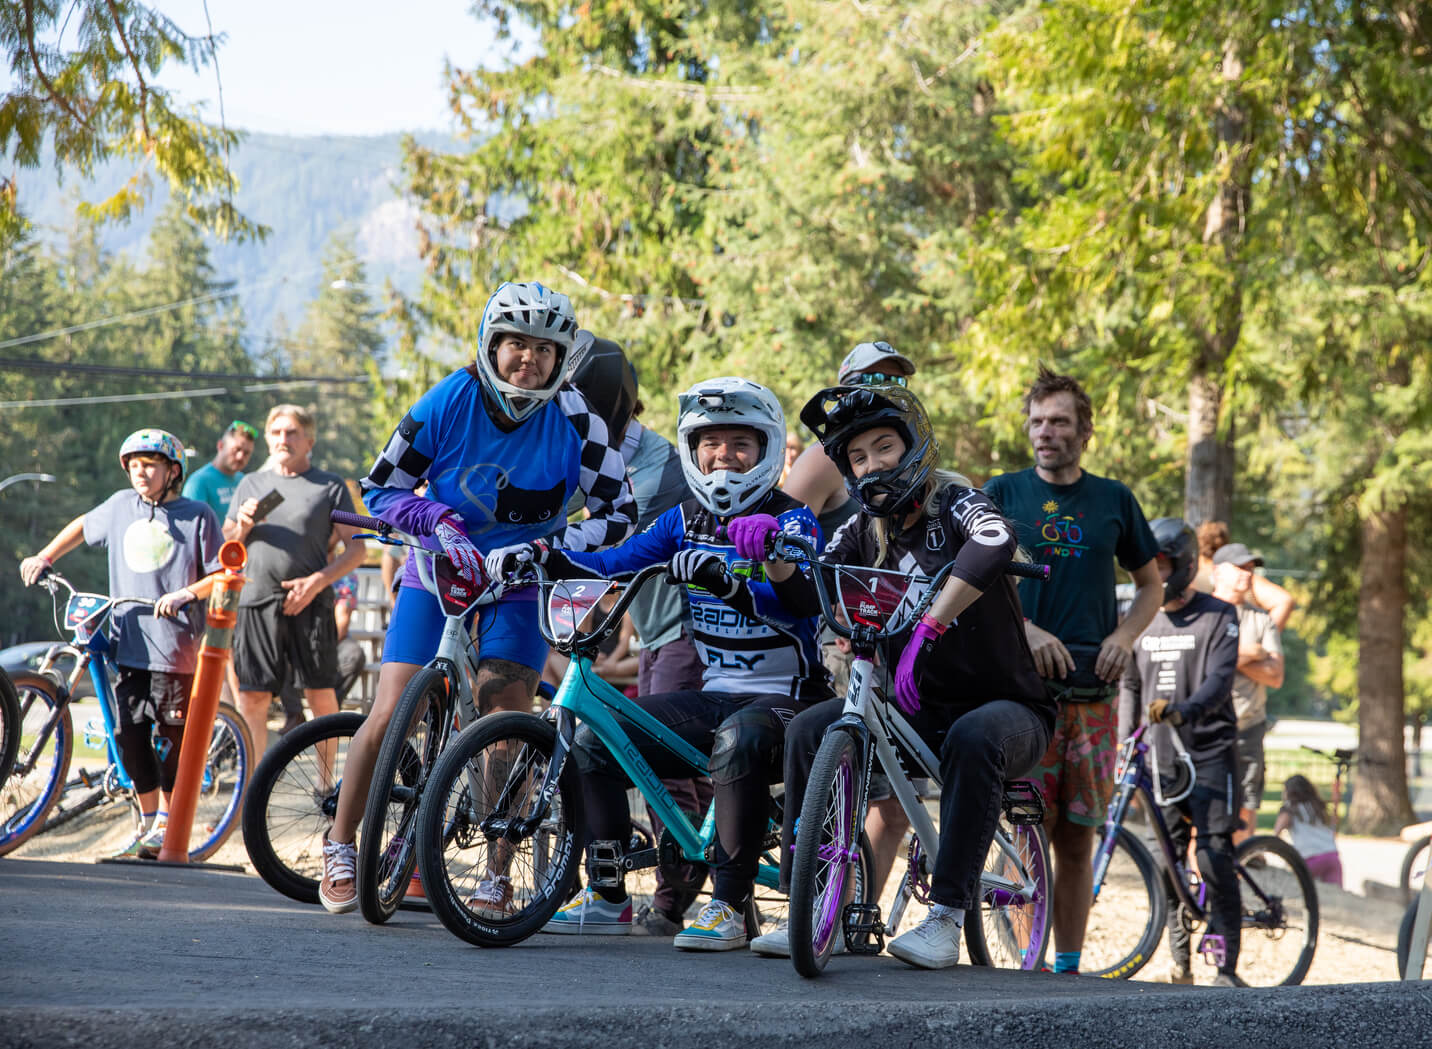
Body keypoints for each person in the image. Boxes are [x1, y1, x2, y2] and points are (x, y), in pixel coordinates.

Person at [317, 282, 636, 915]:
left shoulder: (577, 418)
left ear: (561, 356)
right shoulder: (448, 399)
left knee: (503, 720)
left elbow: (620, 515)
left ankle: (496, 870)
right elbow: (379, 489)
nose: (529, 359)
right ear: (490, 345)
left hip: (517, 583)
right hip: (436, 572)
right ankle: (340, 844)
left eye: (544, 348)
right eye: (516, 344)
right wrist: (432, 517)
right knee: (388, 713)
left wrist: (549, 548)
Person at [491, 377, 829, 951]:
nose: (724, 456)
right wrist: (545, 553)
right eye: (710, 443)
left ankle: (726, 906)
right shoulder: (681, 520)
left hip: (791, 700)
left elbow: (803, 604)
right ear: (692, 450)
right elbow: (614, 561)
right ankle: (608, 895)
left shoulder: (794, 520)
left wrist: (761, 560)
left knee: (736, 738)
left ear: (767, 449)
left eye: (739, 444)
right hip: (718, 693)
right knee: (597, 738)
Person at [743, 384, 1053, 968]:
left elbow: (995, 539)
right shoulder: (861, 530)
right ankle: (808, 906)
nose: (872, 465)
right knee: (811, 731)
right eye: (857, 458)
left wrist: (930, 627)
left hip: (1008, 710)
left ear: (914, 446)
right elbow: (812, 585)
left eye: (884, 447)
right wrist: (772, 551)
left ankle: (946, 917)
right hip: (910, 710)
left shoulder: (956, 501)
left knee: (974, 737)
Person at [982, 365, 1163, 976]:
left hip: (1093, 693)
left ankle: (1067, 968)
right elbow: (974, 577)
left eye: (1059, 421)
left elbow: (1150, 585)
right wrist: (1025, 630)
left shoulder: (1114, 500)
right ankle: (1022, 965)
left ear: (1085, 431)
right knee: (1027, 829)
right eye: (1037, 421)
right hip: (1020, 690)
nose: (1045, 432)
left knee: (1078, 835)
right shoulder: (1001, 494)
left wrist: (1125, 634)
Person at [19, 429, 221, 858]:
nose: (140, 472)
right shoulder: (118, 506)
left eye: (150, 464)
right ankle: (149, 822)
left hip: (175, 646)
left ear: (172, 471)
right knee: (129, 734)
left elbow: (222, 574)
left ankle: (171, 822)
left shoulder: (197, 514)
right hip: (128, 641)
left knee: (170, 739)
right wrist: (46, 556)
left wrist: (188, 594)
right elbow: (81, 525)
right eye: (133, 465)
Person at [569, 339, 711, 935]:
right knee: (646, 760)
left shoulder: (661, 464)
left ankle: (674, 900)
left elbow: (614, 547)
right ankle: (634, 889)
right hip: (654, 628)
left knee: (668, 766)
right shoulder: (583, 451)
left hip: (688, 627)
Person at [782, 340, 919, 892]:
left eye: (895, 381)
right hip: (852, 637)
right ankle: (816, 904)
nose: (885, 389)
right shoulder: (827, 453)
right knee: (850, 782)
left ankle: (853, 908)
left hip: (901, 629)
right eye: (872, 379)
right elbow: (788, 524)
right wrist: (830, 601)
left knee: (894, 802)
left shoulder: (905, 445)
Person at [1119, 517, 1244, 988]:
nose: (1154, 570)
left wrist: (1184, 712)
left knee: (1212, 856)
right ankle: (1180, 966)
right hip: (1160, 761)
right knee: (1165, 861)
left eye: (1163, 562)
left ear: (1184, 564)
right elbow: (1130, 683)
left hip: (1210, 753)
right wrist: (1124, 740)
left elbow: (1219, 679)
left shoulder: (1218, 615)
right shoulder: (1140, 615)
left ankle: (1225, 965)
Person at [225, 405, 368, 755]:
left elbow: (358, 550)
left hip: (312, 602)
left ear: (309, 441)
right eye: (276, 433)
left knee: (320, 696)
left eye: (291, 433)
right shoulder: (250, 483)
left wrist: (317, 582)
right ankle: (251, 790)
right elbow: (225, 548)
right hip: (256, 602)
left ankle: (326, 789)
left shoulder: (332, 485)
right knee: (253, 698)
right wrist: (241, 527)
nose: (282, 439)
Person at [1210, 542, 1284, 845]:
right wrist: (1251, 653)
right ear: (1218, 572)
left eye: (1251, 568)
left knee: (1247, 801)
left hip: (1248, 727)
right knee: (1202, 804)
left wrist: (1227, 657)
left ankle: (1238, 866)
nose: (1247, 574)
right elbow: (1202, 664)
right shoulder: (1203, 612)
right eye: (1240, 567)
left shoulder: (1261, 619)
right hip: (1209, 726)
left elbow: (1276, 675)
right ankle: (1197, 880)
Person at [1193, 521, 1295, 630]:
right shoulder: (1237, 573)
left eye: (1249, 568)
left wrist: (1266, 636)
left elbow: (1284, 600)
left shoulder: (1192, 576)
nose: (1247, 572)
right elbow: (1284, 600)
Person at [1273, 775, 1343, 887]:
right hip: (1332, 856)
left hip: (1309, 859)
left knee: (1299, 890)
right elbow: (1333, 828)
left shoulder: (1289, 808)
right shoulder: (1319, 806)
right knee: (1334, 895)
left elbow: (1276, 835)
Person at [182, 420, 257, 519]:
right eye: (236, 449)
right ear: (220, 446)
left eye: (246, 453)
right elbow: (189, 527)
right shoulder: (199, 482)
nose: (240, 457)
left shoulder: (243, 480)